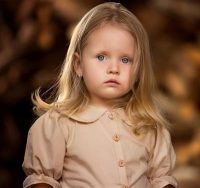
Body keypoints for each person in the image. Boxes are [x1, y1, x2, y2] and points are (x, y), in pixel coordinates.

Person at [22, 2, 177, 188]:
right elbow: (41, 180)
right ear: (78, 65)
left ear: (138, 71)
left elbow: (162, 179)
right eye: (102, 57)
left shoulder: (149, 126)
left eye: (125, 59)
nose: (114, 69)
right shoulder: (58, 125)